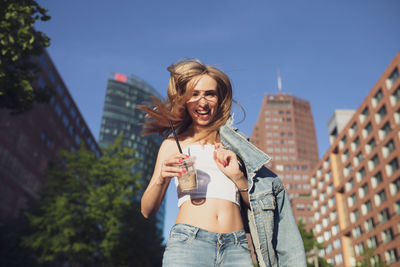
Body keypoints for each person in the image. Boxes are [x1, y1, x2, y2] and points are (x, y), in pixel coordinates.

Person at [140, 59, 306, 267]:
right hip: (189, 243)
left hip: (236, 247)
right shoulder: (173, 144)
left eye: (210, 94)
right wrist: (161, 177)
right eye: (194, 94)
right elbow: (147, 210)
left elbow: (257, 203)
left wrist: (238, 177)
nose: (203, 102)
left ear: (219, 99)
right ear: (184, 100)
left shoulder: (235, 144)